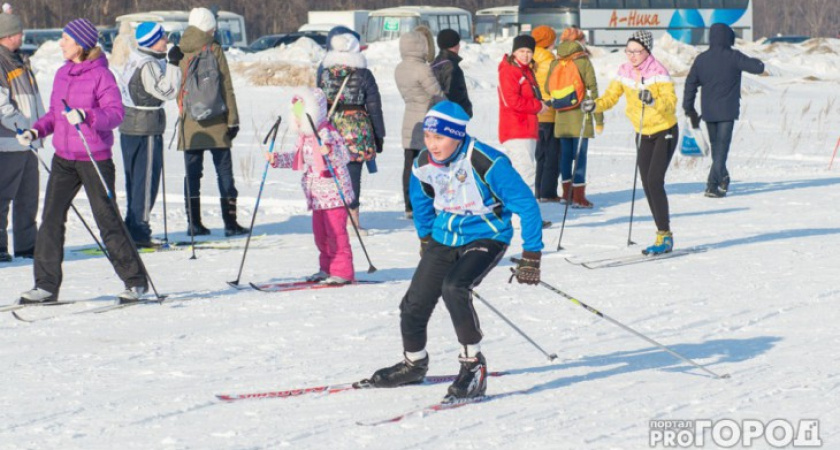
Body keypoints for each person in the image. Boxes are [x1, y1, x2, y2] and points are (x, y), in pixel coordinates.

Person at [361, 101, 544, 401]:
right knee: (414, 303)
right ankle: (414, 364)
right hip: (444, 236)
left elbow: (526, 205)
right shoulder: (422, 163)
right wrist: (425, 240)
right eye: (428, 137)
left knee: (455, 287)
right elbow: (420, 203)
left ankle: (473, 367)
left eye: (439, 138)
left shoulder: (487, 162)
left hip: (487, 235)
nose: (432, 145)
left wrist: (532, 256)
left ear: (457, 136)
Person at [16, 18, 148, 303]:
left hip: (94, 157)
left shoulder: (102, 75)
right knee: (50, 219)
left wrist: (88, 116)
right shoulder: (63, 73)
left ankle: (135, 282)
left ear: (81, 44)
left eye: (66, 39)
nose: (61, 43)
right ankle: (46, 286)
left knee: (107, 221)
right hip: (64, 158)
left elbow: (115, 114)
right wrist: (35, 130)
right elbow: (54, 114)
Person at [583, 30, 678, 255]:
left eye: (637, 51)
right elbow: (610, 97)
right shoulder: (624, 71)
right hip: (642, 132)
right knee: (646, 183)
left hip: (664, 131)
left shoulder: (658, 71)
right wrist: (595, 105)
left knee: (655, 181)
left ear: (647, 51)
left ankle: (664, 235)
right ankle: (662, 234)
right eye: (629, 51)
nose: (632, 55)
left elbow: (671, 103)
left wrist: (653, 100)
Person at [267, 88, 355, 285]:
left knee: (336, 235)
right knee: (321, 236)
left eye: (301, 113)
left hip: (333, 192)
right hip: (316, 195)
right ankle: (326, 269)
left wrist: (329, 151)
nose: (298, 118)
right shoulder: (305, 137)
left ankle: (342, 271)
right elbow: (297, 158)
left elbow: (344, 156)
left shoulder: (328, 133)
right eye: (295, 114)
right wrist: (277, 159)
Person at [176, 7, 247, 237]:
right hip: (217, 121)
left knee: (192, 175)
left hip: (190, 124)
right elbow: (226, 86)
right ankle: (230, 223)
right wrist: (233, 120)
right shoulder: (214, 48)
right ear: (207, 26)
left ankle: (193, 224)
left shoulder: (178, 51)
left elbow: (175, 87)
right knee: (224, 172)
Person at [117, 22, 182, 248]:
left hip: (130, 126)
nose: (166, 40)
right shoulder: (148, 64)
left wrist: (167, 60)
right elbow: (169, 90)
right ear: (152, 41)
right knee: (146, 181)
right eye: (163, 37)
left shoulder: (136, 57)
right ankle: (140, 231)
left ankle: (131, 226)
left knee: (134, 180)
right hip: (144, 128)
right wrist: (173, 64)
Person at [684, 23, 764, 198]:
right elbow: (758, 68)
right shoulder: (733, 56)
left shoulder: (701, 59)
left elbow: (690, 84)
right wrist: (759, 60)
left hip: (709, 112)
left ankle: (719, 180)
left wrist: (688, 108)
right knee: (721, 149)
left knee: (717, 149)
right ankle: (714, 184)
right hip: (727, 111)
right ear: (729, 38)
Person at [318, 26, 385, 236]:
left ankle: (335, 217)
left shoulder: (325, 74)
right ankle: (353, 220)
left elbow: (319, 102)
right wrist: (379, 135)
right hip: (358, 128)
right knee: (353, 173)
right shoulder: (364, 74)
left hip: (332, 128)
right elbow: (374, 106)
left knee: (334, 174)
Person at [0, 13, 43, 263]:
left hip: (29, 141)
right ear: (8, 35)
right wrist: (21, 127)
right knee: (3, 197)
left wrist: (38, 130)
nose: (22, 36)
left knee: (29, 196)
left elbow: (33, 100)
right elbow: (2, 107)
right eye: (19, 33)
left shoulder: (21, 60)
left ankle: (28, 246)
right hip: (10, 142)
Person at [549, 26, 604, 208]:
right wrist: (599, 119)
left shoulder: (555, 62)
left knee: (565, 156)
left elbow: (549, 89)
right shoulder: (583, 61)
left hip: (561, 117)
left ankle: (566, 194)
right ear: (578, 41)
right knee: (580, 157)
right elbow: (593, 90)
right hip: (582, 116)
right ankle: (579, 198)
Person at [395, 30, 444, 220]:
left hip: (409, 118)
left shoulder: (399, 68)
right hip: (427, 120)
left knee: (409, 164)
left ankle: (409, 205)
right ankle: (427, 201)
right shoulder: (422, 68)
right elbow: (437, 93)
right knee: (429, 163)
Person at [530, 25, 560, 202]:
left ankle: (537, 190)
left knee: (539, 155)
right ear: (550, 41)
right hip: (549, 112)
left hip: (534, 114)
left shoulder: (530, 58)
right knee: (552, 155)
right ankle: (547, 192)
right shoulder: (550, 61)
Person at [431, 29, 472, 117]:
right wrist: (464, 111)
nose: (459, 46)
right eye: (458, 43)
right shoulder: (450, 66)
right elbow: (452, 94)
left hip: (438, 113)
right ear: (454, 45)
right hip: (452, 116)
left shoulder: (436, 62)